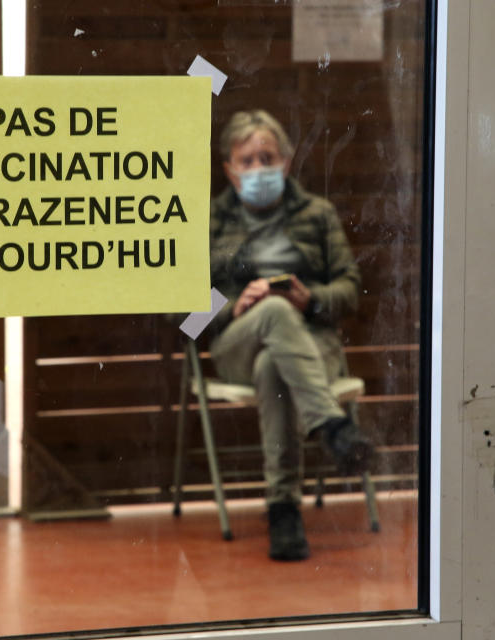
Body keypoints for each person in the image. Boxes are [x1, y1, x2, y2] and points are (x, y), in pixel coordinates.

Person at [208, 110, 374, 561]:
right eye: (247, 160)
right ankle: (332, 426)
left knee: (273, 365)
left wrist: (311, 298)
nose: (259, 168)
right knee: (270, 316)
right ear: (229, 169)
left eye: (268, 157)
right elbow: (177, 311)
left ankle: (284, 511)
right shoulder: (209, 221)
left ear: (286, 162)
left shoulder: (317, 214)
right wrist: (233, 306)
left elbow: (351, 289)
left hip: (310, 345)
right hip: (236, 344)